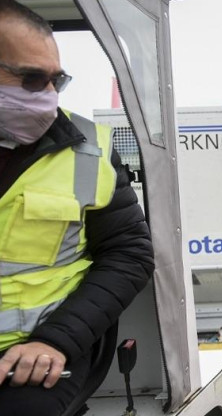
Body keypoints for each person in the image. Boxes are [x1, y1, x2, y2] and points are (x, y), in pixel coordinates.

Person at [0, 1, 154, 414]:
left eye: (57, 80)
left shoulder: (90, 152)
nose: (47, 96)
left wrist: (57, 340)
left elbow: (130, 254)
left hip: (43, 353)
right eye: (32, 80)